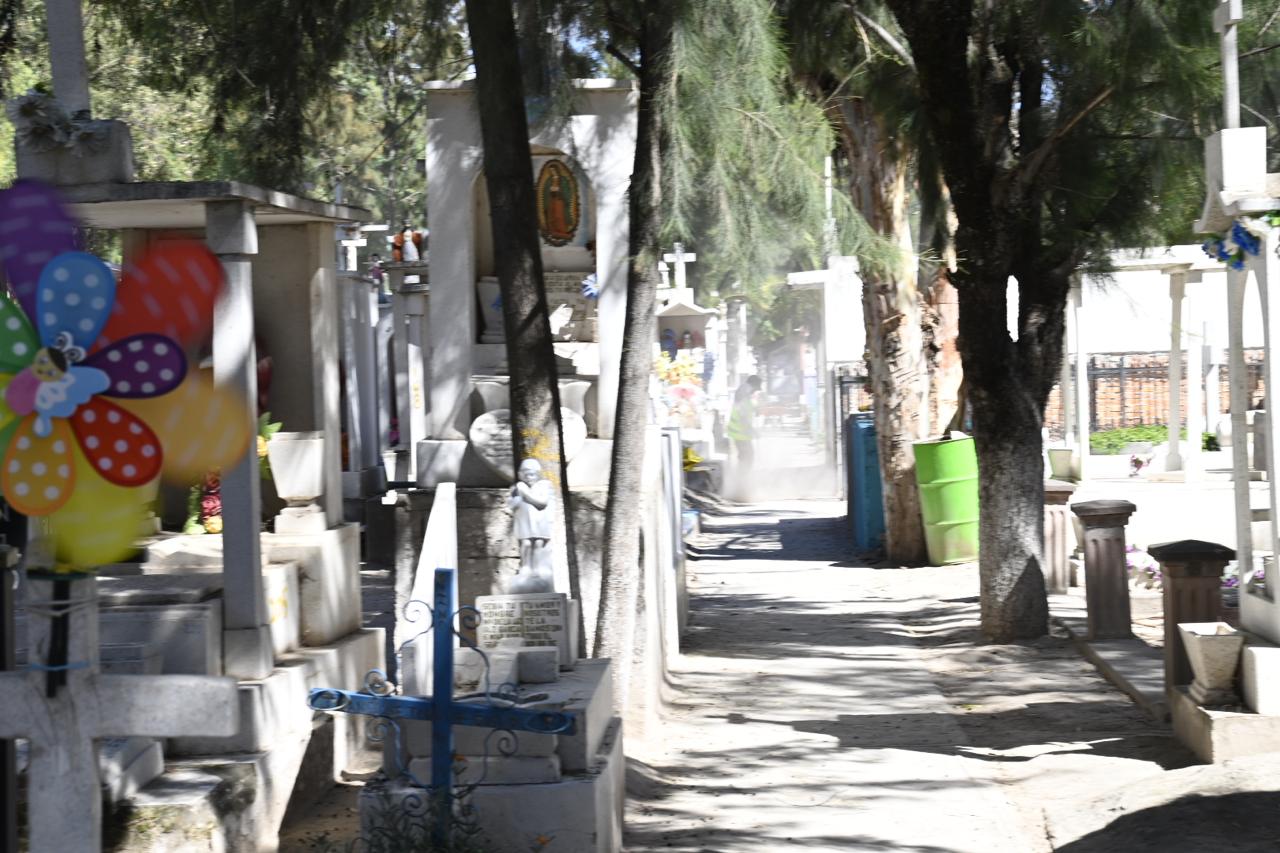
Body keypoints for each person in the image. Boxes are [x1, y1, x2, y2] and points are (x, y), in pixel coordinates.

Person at [508, 458, 555, 593]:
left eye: (532, 474)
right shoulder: (517, 488)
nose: (529, 478)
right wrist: (518, 497)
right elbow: (512, 505)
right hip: (524, 521)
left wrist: (526, 494)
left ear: (537, 474)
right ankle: (526, 567)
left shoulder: (544, 485)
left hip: (539, 521)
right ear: (521, 475)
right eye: (526, 475)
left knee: (538, 543)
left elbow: (542, 502)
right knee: (526, 544)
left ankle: (537, 568)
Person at [726, 375, 761, 468]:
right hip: (741, 433)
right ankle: (742, 476)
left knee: (745, 457)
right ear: (753, 385)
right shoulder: (744, 396)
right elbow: (743, 418)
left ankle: (741, 475)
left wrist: (755, 409)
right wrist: (752, 431)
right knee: (747, 457)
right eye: (756, 388)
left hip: (740, 433)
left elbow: (744, 409)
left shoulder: (743, 394)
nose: (755, 391)